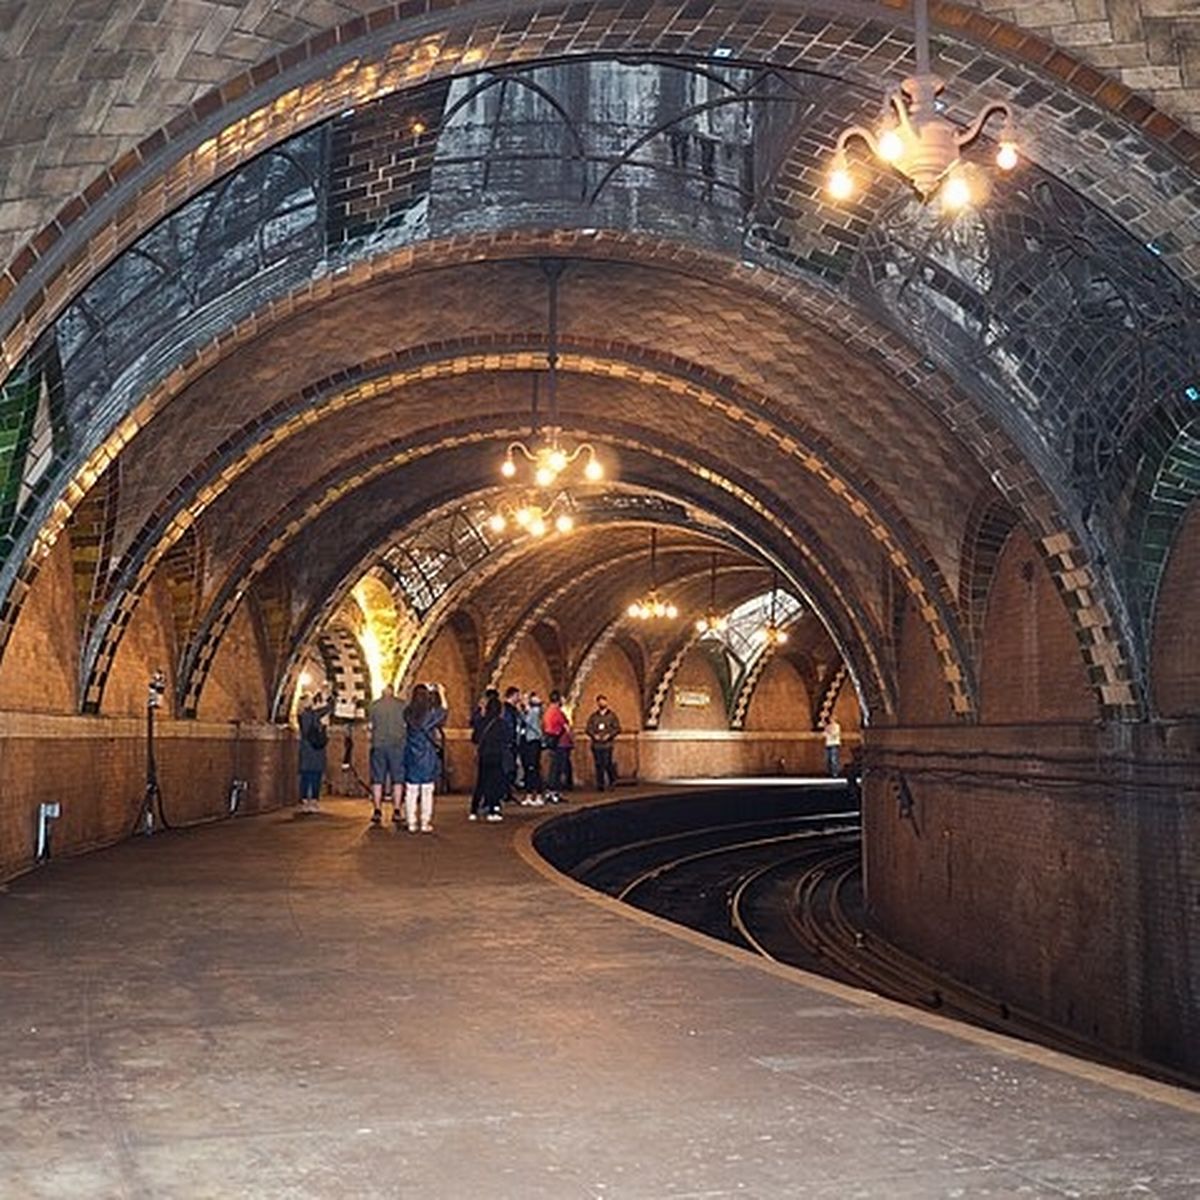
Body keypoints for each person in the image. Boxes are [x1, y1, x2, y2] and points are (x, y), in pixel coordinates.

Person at [402, 683, 447, 833]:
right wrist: (440, 692)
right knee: (427, 790)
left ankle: (411, 822)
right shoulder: (429, 714)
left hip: (411, 756)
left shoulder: (408, 712)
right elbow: (443, 711)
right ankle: (425, 821)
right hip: (427, 756)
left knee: (411, 791)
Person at [368, 682, 406, 827]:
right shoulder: (402, 705)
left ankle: (377, 810)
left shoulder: (374, 706)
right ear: (393, 691)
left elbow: (370, 726)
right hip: (397, 746)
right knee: (398, 780)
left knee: (378, 780)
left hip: (378, 746)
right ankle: (397, 810)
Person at [471, 694, 509, 822]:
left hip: (484, 755)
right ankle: (492, 810)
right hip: (496, 756)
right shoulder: (502, 724)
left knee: (481, 782)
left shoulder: (481, 722)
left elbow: (475, 738)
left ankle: (473, 810)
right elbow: (508, 739)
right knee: (494, 783)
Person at [297, 691, 332, 814]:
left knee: (306, 776)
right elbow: (327, 709)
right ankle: (313, 801)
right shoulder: (311, 715)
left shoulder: (301, 715)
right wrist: (329, 699)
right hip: (315, 749)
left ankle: (305, 801)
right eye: (311, 699)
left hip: (306, 749)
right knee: (315, 776)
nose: (313, 700)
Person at [585, 694, 622, 791]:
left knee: (607, 763)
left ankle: (611, 782)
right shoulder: (593, 716)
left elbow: (617, 728)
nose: (602, 703)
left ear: (606, 702)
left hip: (607, 745)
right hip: (596, 745)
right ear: (597, 703)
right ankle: (600, 784)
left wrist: (609, 735)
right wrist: (594, 735)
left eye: (603, 701)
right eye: (600, 701)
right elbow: (588, 729)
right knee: (598, 765)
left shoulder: (612, 716)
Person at [542, 690, 571, 804]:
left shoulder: (547, 712)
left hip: (553, 743)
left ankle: (551, 792)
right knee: (557, 769)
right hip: (560, 743)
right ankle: (554, 792)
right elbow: (566, 726)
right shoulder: (557, 712)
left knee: (554, 768)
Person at [518, 691, 545, 805]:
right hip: (525, 742)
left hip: (534, 741)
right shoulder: (525, 712)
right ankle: (528, 794)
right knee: (527, 768)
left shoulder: (535, 711)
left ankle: (538, 794)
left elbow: (529, 722)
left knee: (534, 767)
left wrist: (527, 708)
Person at [502, 686, 524, 799]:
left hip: (513, 743)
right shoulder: (507, 709)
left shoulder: (513, 709)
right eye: (518, 695)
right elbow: (509, 726)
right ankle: (505, 792)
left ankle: (508, 791)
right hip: (509, 743)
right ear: (513, 695)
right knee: (508, 768)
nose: (519, 698)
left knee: (512, 768)